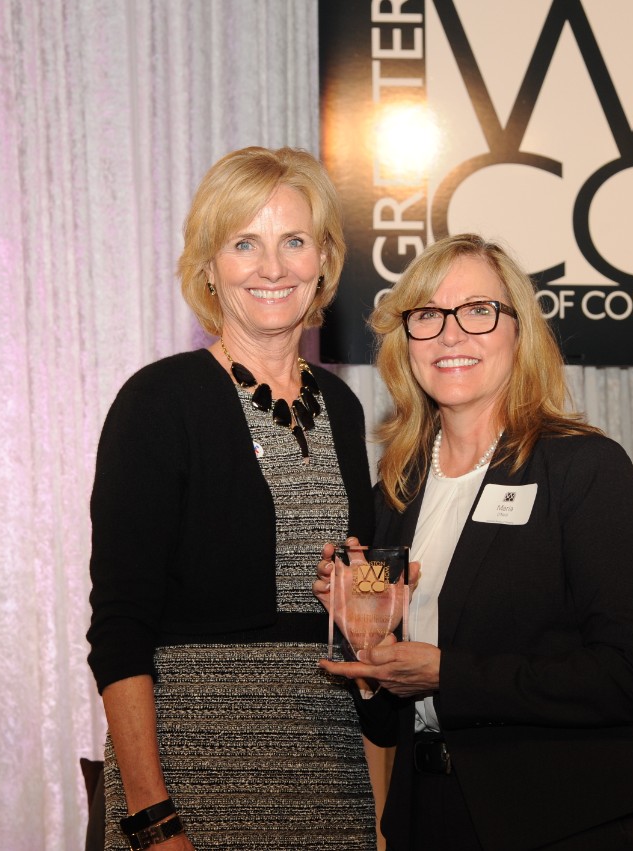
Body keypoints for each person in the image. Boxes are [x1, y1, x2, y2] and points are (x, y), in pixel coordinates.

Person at [317, 233, 633, 850]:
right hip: (428, 819)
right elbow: (382, 713)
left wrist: (450, 675)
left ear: (519, 332)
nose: (451, 335)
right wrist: (364, 642)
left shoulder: (582, 468)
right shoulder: (393, 495)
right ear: (407, 343)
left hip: (568, 823)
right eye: (427, 315)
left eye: (478, 311)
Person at [86, 146, 378, 851]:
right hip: (194, 781)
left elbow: (357, 605)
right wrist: (154, 817)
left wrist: (372, 605)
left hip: (331, 781)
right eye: (245, 243)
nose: (273, 267)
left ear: (323, 261)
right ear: (210, 266)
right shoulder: (158, 401)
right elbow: (119, 625)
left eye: (294, 241)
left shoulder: (342, 406)